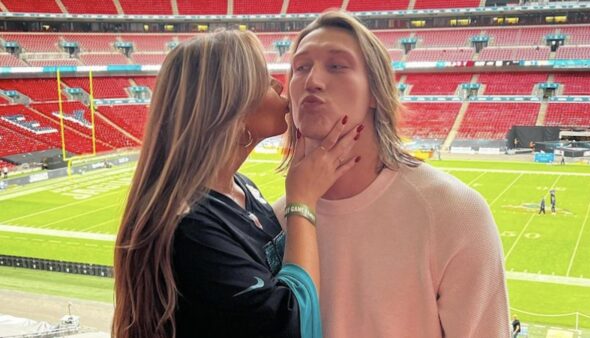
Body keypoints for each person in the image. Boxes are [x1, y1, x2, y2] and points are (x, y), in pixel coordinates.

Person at [112, 30, 361, 338]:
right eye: (262, 77)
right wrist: (302, 200)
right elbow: (293, 325)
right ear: (232, 107)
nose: (278, 85)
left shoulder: (243, 189)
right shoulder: (190, 229)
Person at [276, 11, 510, 338]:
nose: (312, 80)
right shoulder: (277, 218)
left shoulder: (455, 213)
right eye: (301, 67)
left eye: (337, 66)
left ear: (375, 90)